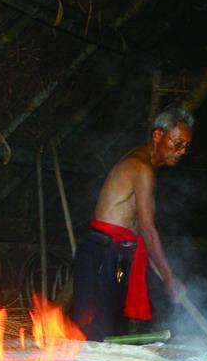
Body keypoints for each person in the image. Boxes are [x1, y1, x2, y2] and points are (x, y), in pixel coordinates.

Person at [71, 107, 193, 341]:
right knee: (95, 335)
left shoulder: (146, 167)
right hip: (101, 253)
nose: (181, 151)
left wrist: (167, 275)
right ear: (158, 136)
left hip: (116, 255)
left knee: (113, 335)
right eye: (177, 143)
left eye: (186, 146)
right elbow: (147, 228)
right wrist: (168, 277)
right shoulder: (142, 166)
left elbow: (137, 229)